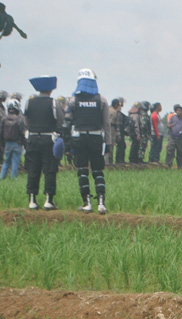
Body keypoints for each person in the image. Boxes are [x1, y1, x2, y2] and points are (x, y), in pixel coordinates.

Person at [65, 69, 110, 214]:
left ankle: (87, 203)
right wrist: (108, 143)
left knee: (82, 170)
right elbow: (106, 124)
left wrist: (67, 143)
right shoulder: (102, 100)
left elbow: (67, 122)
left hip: (80, 138)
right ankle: (101, 204)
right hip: (96, 138)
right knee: (98, 170)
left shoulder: (73, 100)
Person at [22, 76, 64, 210]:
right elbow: (60, 121)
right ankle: (49, 200)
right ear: (51, 89)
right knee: (49, 170)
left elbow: (25, 121)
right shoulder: (53, 103)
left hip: (32, 139)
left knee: (33, 170)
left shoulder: (29, 102)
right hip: (48, 139)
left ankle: (32, 200)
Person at [0, 98, 26, 180]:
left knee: (6, 161)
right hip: (17, 144)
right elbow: (22, 133)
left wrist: (1, 144)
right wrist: (25, 144)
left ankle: (1, 177)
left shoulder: (4, 119)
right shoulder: (20, 119)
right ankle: (13, 178)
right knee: (15, 162)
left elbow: (0, 132)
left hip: (7, 143)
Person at [165, 104, 182, 169]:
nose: (179, 111)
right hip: (172, 137)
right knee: (170, 151)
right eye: (178, 110)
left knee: (180, 152)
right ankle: (168, 164)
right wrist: (170, 126)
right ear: (176, 111)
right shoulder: (173, 118)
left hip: (181, 138)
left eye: (180, 110)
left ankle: (180, 165)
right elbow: (168, 125)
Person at [106, 98, 121, 165]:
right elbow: (116, 124)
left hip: (104, 129)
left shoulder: (106, 109)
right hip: (111, 129)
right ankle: (110, 162)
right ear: (115, 105)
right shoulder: (114, 112)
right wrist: (118, 134)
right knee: (111, 146)